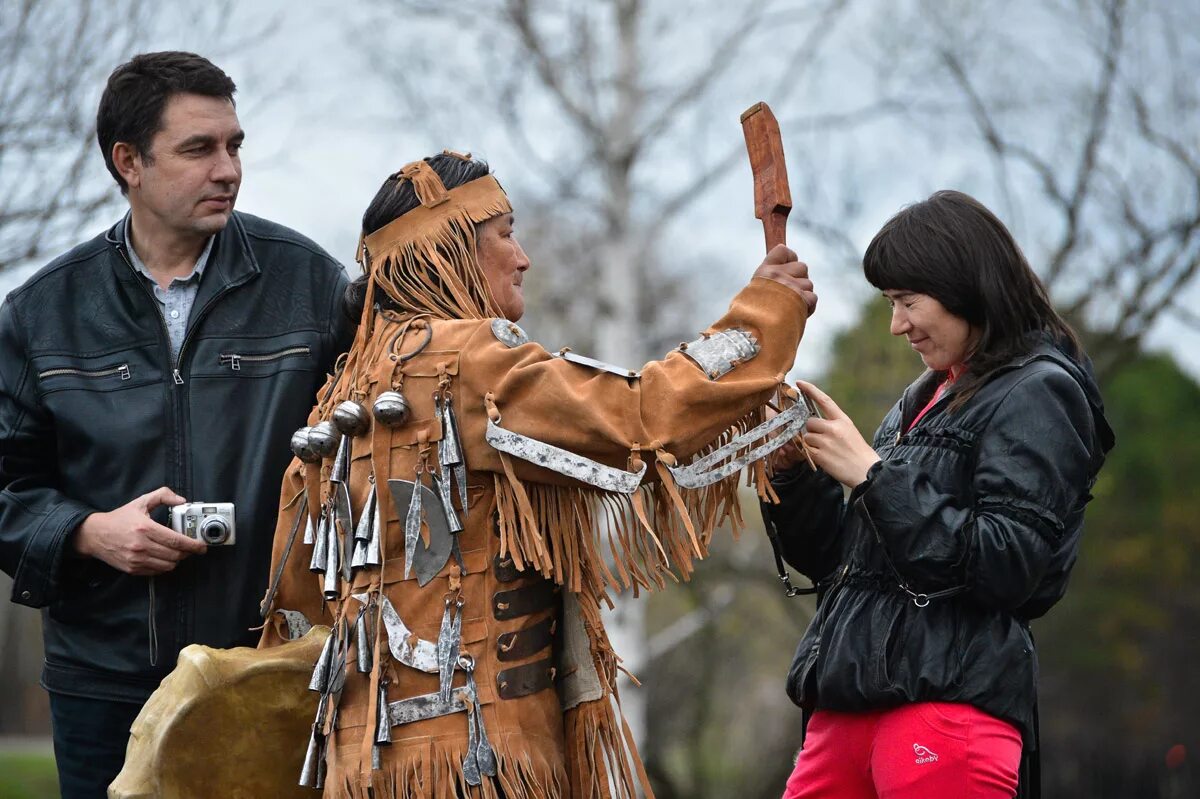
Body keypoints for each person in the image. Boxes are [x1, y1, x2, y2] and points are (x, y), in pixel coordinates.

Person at [250, 151, 817, 798]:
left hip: (355, 771)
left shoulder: (335, 403)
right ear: (450, 250)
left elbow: (292, 630)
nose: (522, 256)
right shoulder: (466, 357)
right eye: (505, 233)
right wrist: (764, 315)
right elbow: (639, 418)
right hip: (482, 762)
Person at [0, 51, 353, 798]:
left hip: (273, 669)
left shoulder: (309, 286)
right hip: (105, 683)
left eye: (234, 145)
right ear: (128, 161)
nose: (227, 169)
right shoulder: (42, 312)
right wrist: (89, 532)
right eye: (199, 149)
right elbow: (7, 489)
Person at [766, 190, 1115, 799]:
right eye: (889, 303)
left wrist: (873, 477)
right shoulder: (921, 398)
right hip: (845, 709)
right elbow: (842, 564)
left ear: (964, 286)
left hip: (945, 714)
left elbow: (1009, 566)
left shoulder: (1041, 390)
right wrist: (794, 474)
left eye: (907, 301)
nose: (897, 324)